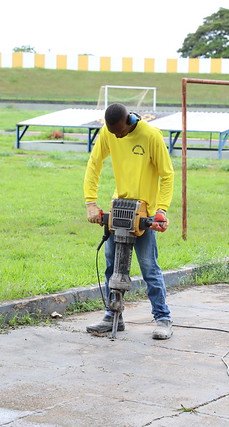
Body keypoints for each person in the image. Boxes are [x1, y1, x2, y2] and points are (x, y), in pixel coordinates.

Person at [83, 103, 175, 340]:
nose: (117, 136)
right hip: (119, 208)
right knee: (112, 266)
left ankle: (163, 318)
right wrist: (90, 203)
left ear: (127, 121)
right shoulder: (108, 132)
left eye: (120, 132)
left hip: (145, 213)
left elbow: (167, 175)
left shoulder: (151, 136)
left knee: (149, 268)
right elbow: (94, 164)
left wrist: (161, 211)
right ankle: (112, 316)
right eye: (113, 133)